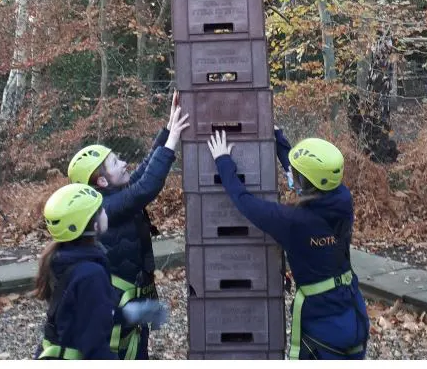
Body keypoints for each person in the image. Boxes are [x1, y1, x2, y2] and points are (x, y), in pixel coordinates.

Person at [207, 128, 370, 360]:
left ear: (305, 181)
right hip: (353, 315)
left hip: (322, 325)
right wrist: (279, 139)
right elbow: (303, 180)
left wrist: (223, 161)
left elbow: (245, 203)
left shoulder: (293, 223)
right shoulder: (343, 201)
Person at [66, 93, 189, 359]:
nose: (124, 164)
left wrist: (168, 129)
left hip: (132, 301)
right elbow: (145, 188)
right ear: (101, 182)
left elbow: (143, 171)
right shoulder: (105, 210)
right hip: (118, 308)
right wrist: (171, 144)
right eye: (115, 163)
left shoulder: (114, 196)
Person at [34, 183, 118, 360]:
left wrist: (127, 314)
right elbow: (95, 347)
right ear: (94, 226)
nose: (105, 212)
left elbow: (80, 313)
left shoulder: (61, 257)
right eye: (100, 210)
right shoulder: (91, 275)